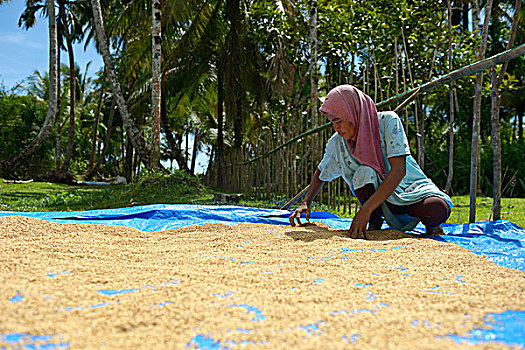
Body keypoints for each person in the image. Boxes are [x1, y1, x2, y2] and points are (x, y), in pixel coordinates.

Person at [289, 84, 452, 239]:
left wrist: (364, 210)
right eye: (332, 123)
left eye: (339, 122)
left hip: (408, 190)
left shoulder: (388, 122)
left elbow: (398, 171)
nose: (336, 129)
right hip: (379, 204)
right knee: (364, 172)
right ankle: (375, 221)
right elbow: (321, 172)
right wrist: (306, 202)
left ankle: (431, 226)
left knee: (437, 209)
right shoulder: (337, 144)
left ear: (353, 113)